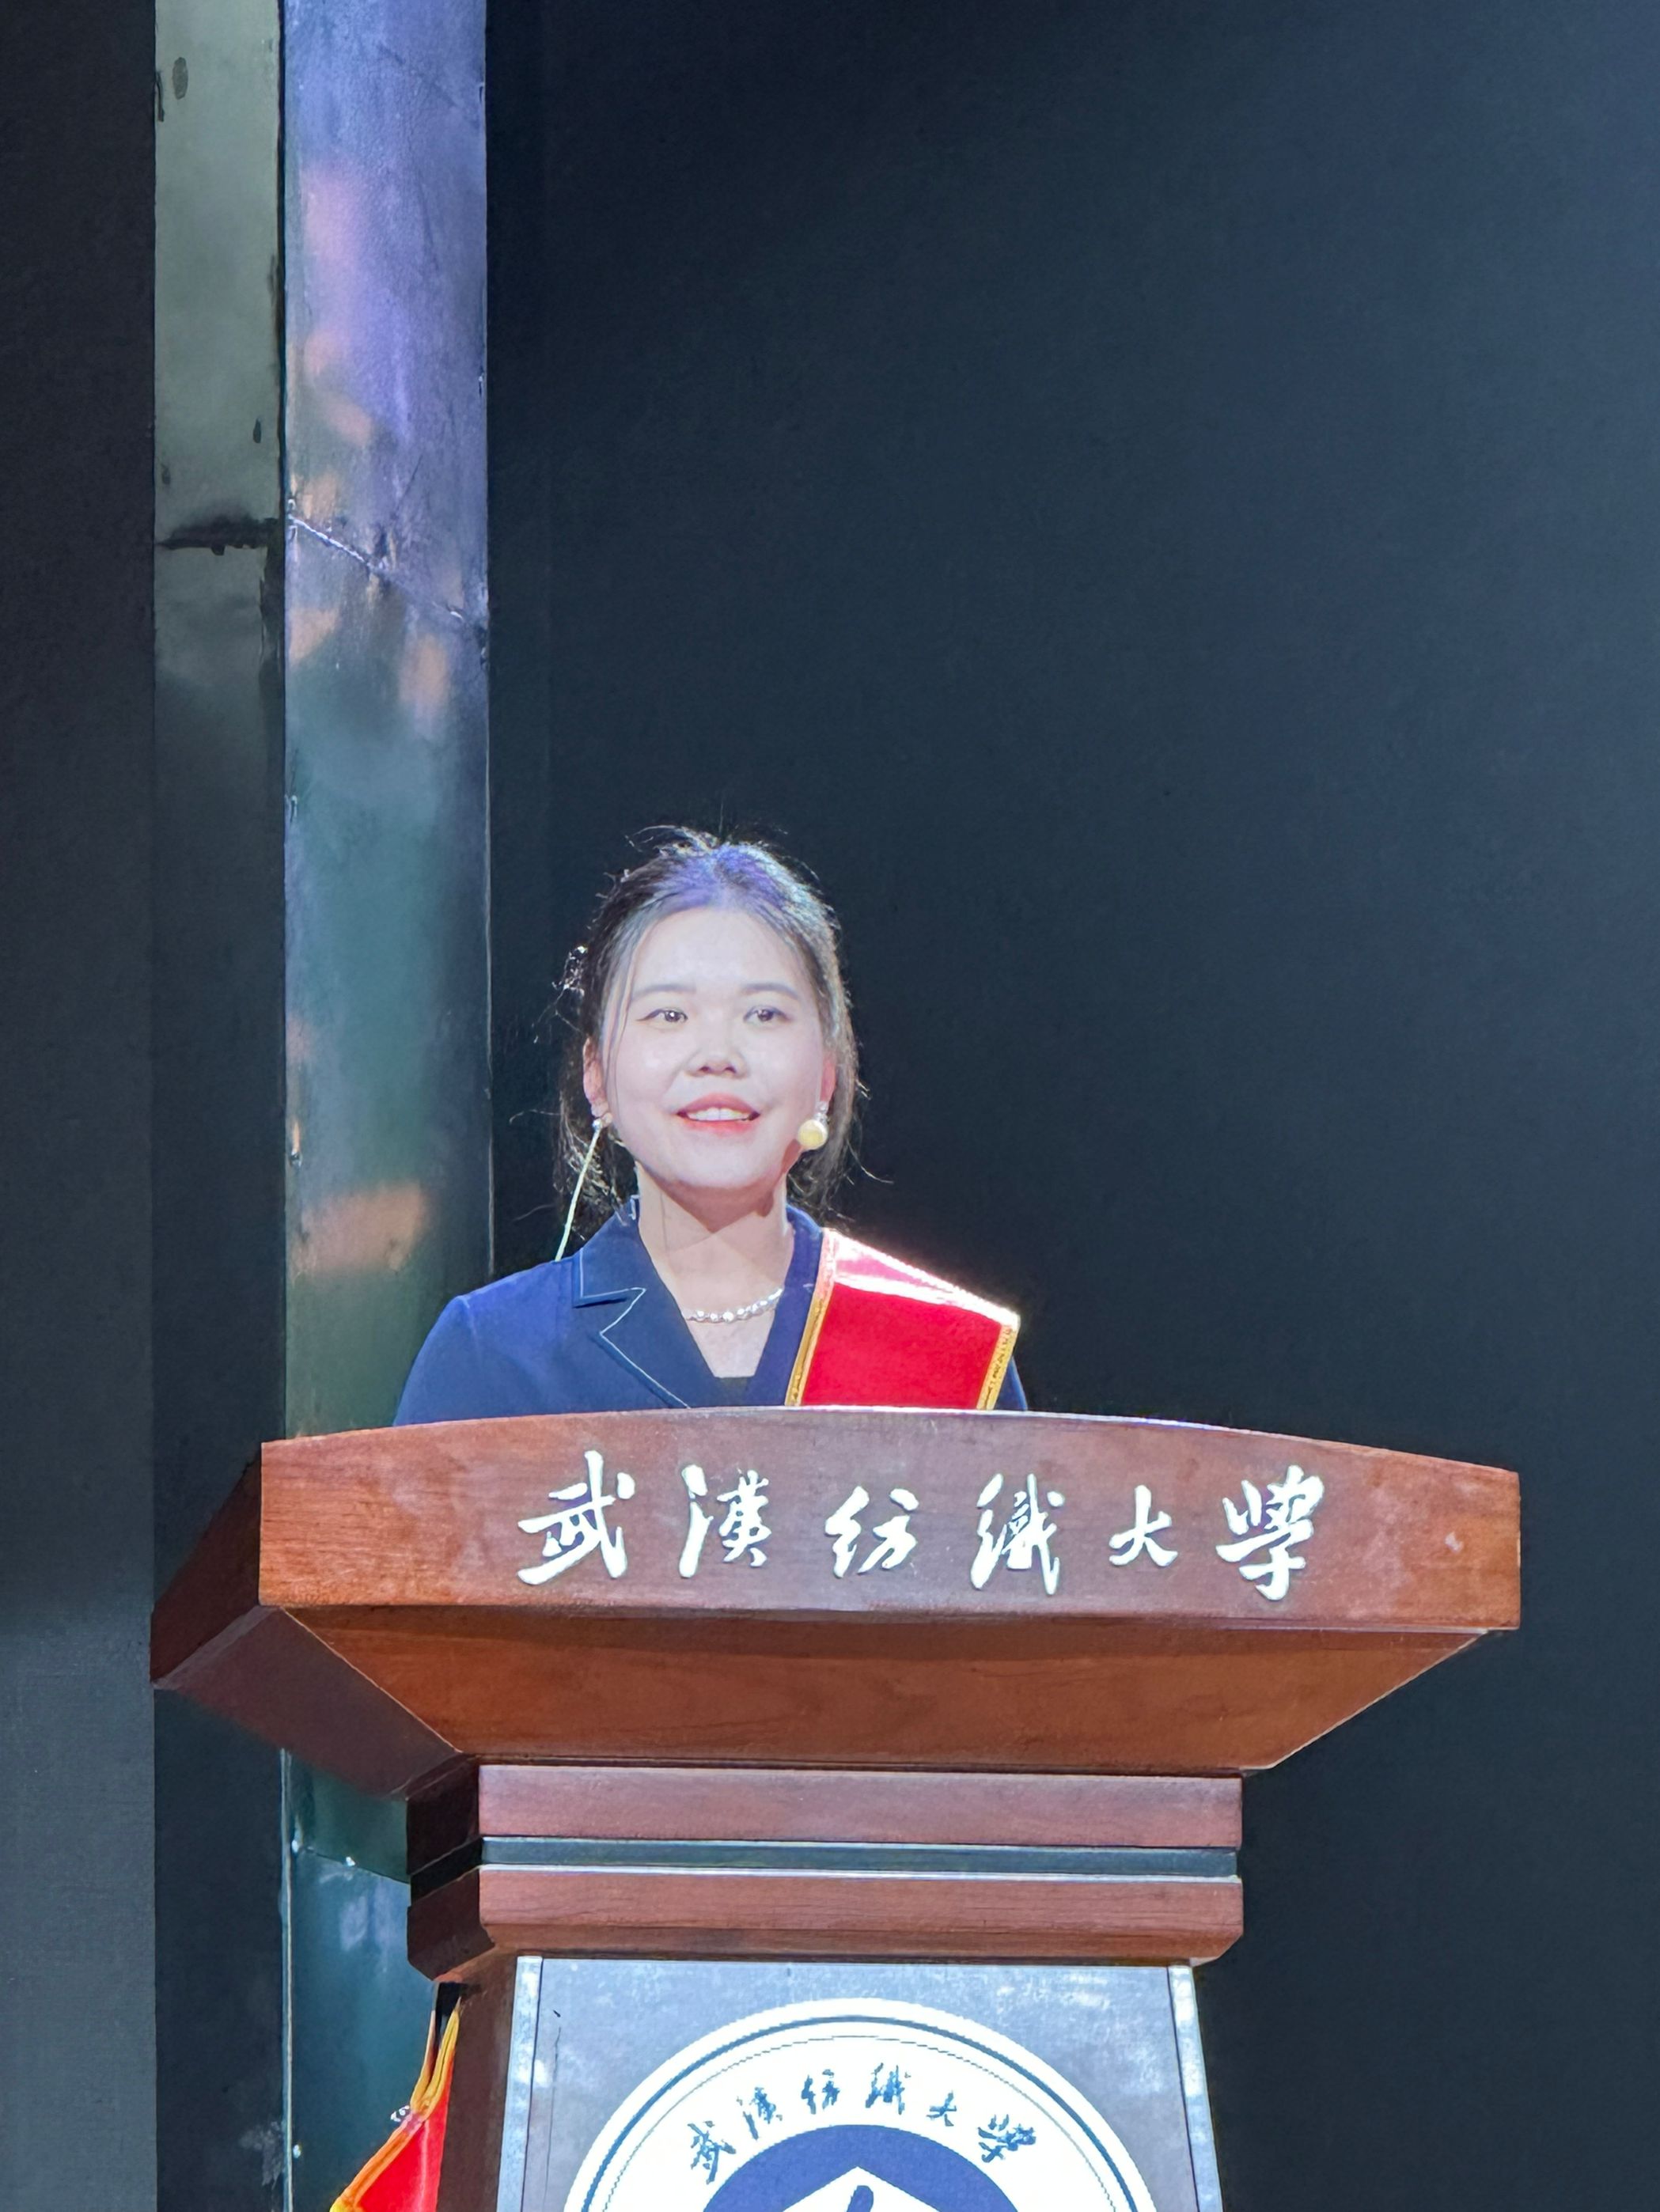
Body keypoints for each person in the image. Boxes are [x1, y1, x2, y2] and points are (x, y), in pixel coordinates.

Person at [395, 830, 1024, 1424]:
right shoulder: (492, 1358)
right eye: (669, 1015)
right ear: (597, 1076)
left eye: (764, 1014)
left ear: (826, 1076)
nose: (718, 1055)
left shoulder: (944, 1352)